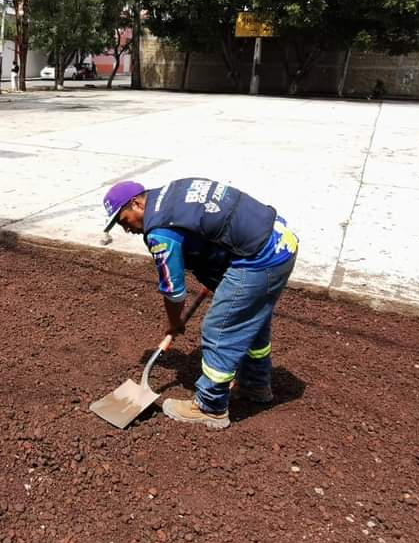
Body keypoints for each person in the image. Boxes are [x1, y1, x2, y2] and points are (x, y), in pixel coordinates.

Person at [102, 178, 298, 429]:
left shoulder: (160, 231)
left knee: (219, 330)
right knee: (249, 320)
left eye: (122, 220)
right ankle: (255, 384)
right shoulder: (172, 192)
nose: (125, 229)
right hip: (279, 240)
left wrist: (174, 323)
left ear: (136, 203)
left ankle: (210, 406)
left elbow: (173, 292)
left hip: (259, 257)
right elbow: (216, 220)